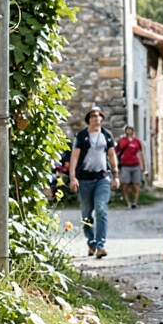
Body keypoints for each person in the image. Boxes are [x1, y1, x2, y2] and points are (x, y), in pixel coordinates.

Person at [69, 107, 120, 258]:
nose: (96, 118)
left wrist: (116, 176)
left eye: (99, 116)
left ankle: (100, 245)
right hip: (84, 179)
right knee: (86, 213)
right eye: (93, 116)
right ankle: (91, 242)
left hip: (102, 178)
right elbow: (74, 157)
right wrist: (73, 177)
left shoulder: (106, 135)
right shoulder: (82, 135)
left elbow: (112, 156)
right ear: (89, 119)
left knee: (101, 209)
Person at [117, 125, 144, 209]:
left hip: (135, 164)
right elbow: (118, 150)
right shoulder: (122, 140)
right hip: (125, 164)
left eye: (130, 130)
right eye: (127, 130)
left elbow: (140, 153)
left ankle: (135, 202)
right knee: (126, 184)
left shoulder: (137, 141)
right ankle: (128, 202)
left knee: (136, 184)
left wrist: (143, 164)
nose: (129, 131)